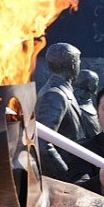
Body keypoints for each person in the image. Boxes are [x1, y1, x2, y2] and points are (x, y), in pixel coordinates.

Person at [36, 43, 85, 180]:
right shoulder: (55, 94)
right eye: (79, 61)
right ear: (74, 65)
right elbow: (42, 144)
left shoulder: (61, 90)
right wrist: (68, 177)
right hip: (70, 182)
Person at [73, 69, 101, 138]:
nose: (97, 85)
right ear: (90, 86)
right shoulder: (78, 110)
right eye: (96, 82)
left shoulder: (95, 105)